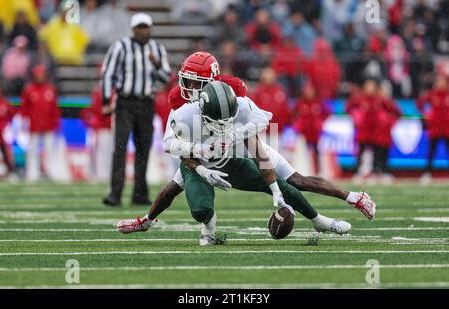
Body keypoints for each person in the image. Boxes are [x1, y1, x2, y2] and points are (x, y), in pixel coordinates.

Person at [115, 52, 376, 236]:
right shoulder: (180, 104)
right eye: (187, 80)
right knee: (173, 187)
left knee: (296, 181)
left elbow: (261, 122)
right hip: (203, 146)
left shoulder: (233, 92)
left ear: (212, 81)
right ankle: (146, 222)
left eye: (196, 82)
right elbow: (177, 144)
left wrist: (235, 137)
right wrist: (201, 161)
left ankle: (351, 199)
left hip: (237, 143)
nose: (188, 87)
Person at [135, 81, 353, 245]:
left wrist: (274, 187)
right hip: (198, 161)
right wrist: (200, 163)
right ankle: (205, 231)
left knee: (284, 185)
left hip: (232, 156)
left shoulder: (240, 104)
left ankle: (320, 220)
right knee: (196, 206)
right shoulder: (184, 114)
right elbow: (172, 146)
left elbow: (261, 128)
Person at [101, 13, 171, 206]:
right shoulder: (120, 46)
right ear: (133, 29)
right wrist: (106, 100)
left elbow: (166, 78)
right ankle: (115, 193)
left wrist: (156, 64)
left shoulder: (157, 48)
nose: (143, 30)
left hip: (146, 104)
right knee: (120, 148)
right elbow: (107, 73)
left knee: (143, 149)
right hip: (125, 103)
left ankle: (139, 194)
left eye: (146, 27)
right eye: (139, 27)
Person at [20, 65, 60, 182]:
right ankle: (32, 173)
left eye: (41, 75)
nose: (40, 77)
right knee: (33, 151)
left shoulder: (50, 89)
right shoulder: (29, 90)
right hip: (34, 125)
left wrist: (56, 123)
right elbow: (24, 108)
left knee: (49, 151)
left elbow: (54, 109)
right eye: (38, 75)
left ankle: (49, 171)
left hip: (49, 125)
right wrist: (24, 122)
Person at [417, 75, 449, 184]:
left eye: (442, 81)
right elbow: (419, 103)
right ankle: (427, 173)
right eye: (439, 81)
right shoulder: (432, 94)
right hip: (435, 129)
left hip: (447, 129)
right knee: (431, 152)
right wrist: (425, 114)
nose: (440, 84)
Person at [292, 82, 330, 175]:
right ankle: (304, 171)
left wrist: (319, 122)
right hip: (304, 132)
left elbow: (327, 112)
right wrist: (298, 124)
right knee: (303, 153)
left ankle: (318, 171)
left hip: (315, 133)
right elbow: (293, 114)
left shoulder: (318, 102)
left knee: (316, 152)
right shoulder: (301, 103)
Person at [0, 82, 15, 178]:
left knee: (6, 153)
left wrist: (7, 129)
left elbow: (12, 116)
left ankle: (11, 171)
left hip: (2, 135)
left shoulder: (5, 103)